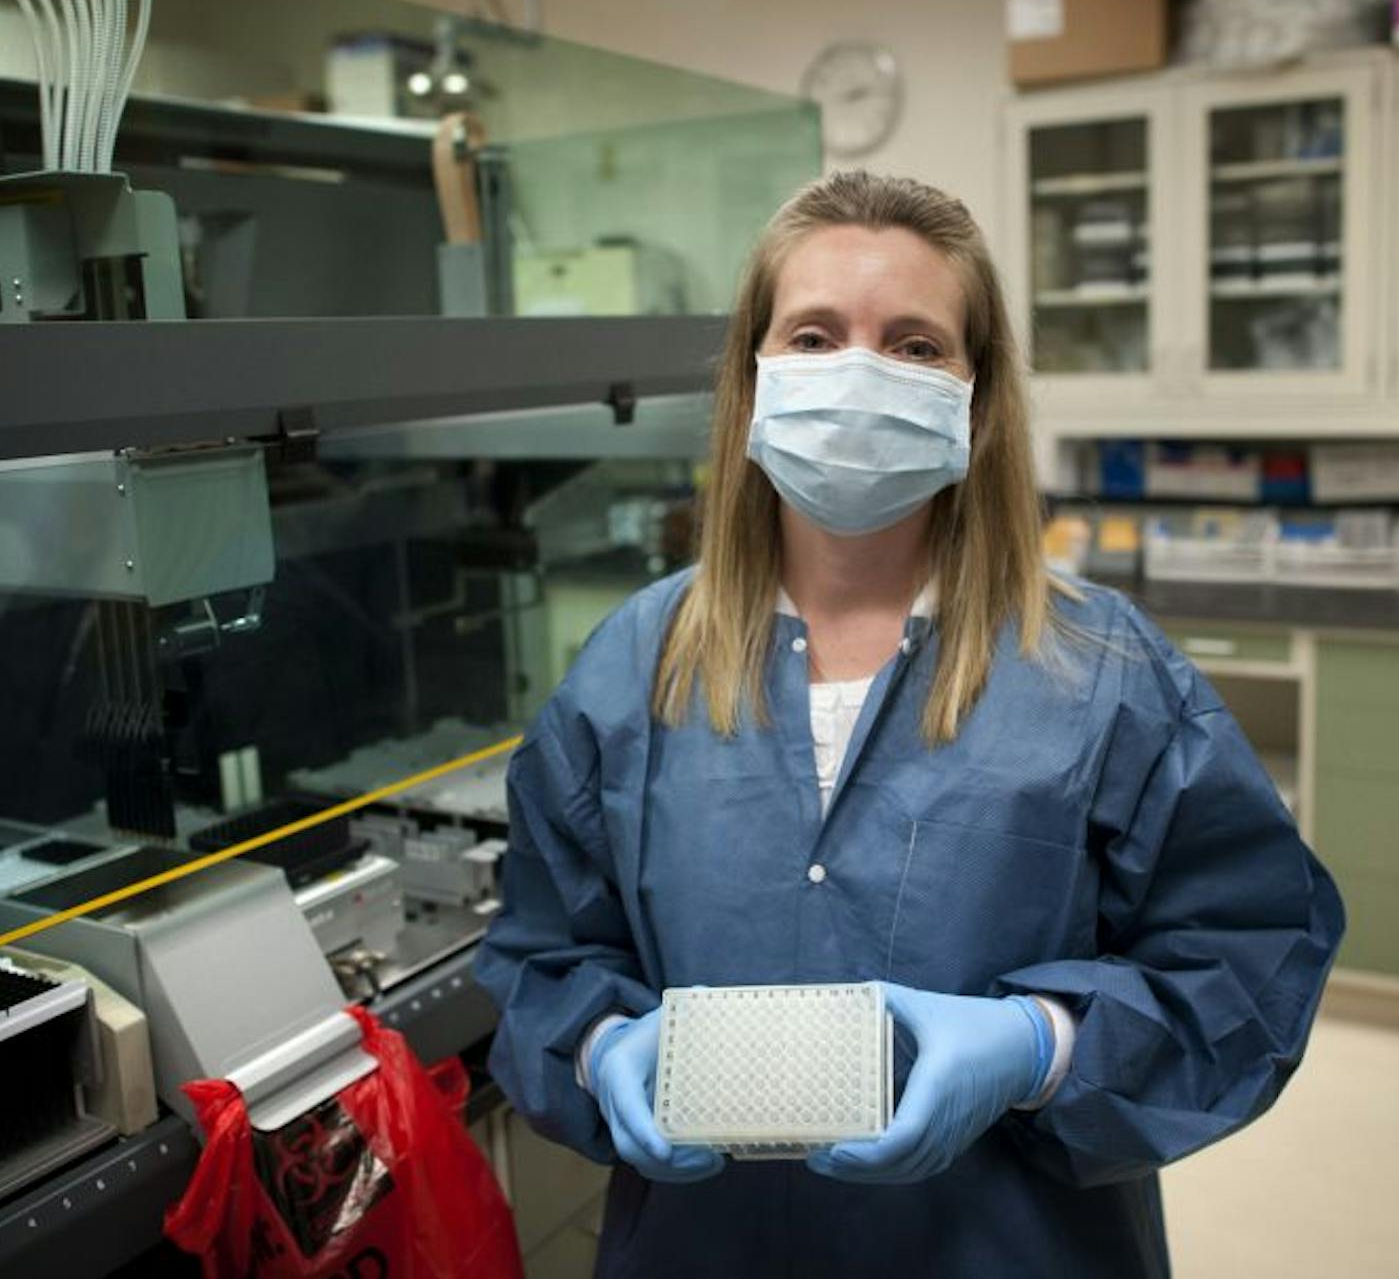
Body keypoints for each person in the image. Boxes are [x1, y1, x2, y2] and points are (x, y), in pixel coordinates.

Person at [475, 171, 1343, 1278]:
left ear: (978, 401)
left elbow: (1249, 954)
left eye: (916, 346)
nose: (857, 375)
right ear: (752, 379)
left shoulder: (1100, 671)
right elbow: (542, 953)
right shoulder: (632, 668)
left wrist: (1042, 1045)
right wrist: (600, 1046)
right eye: (815, 335)